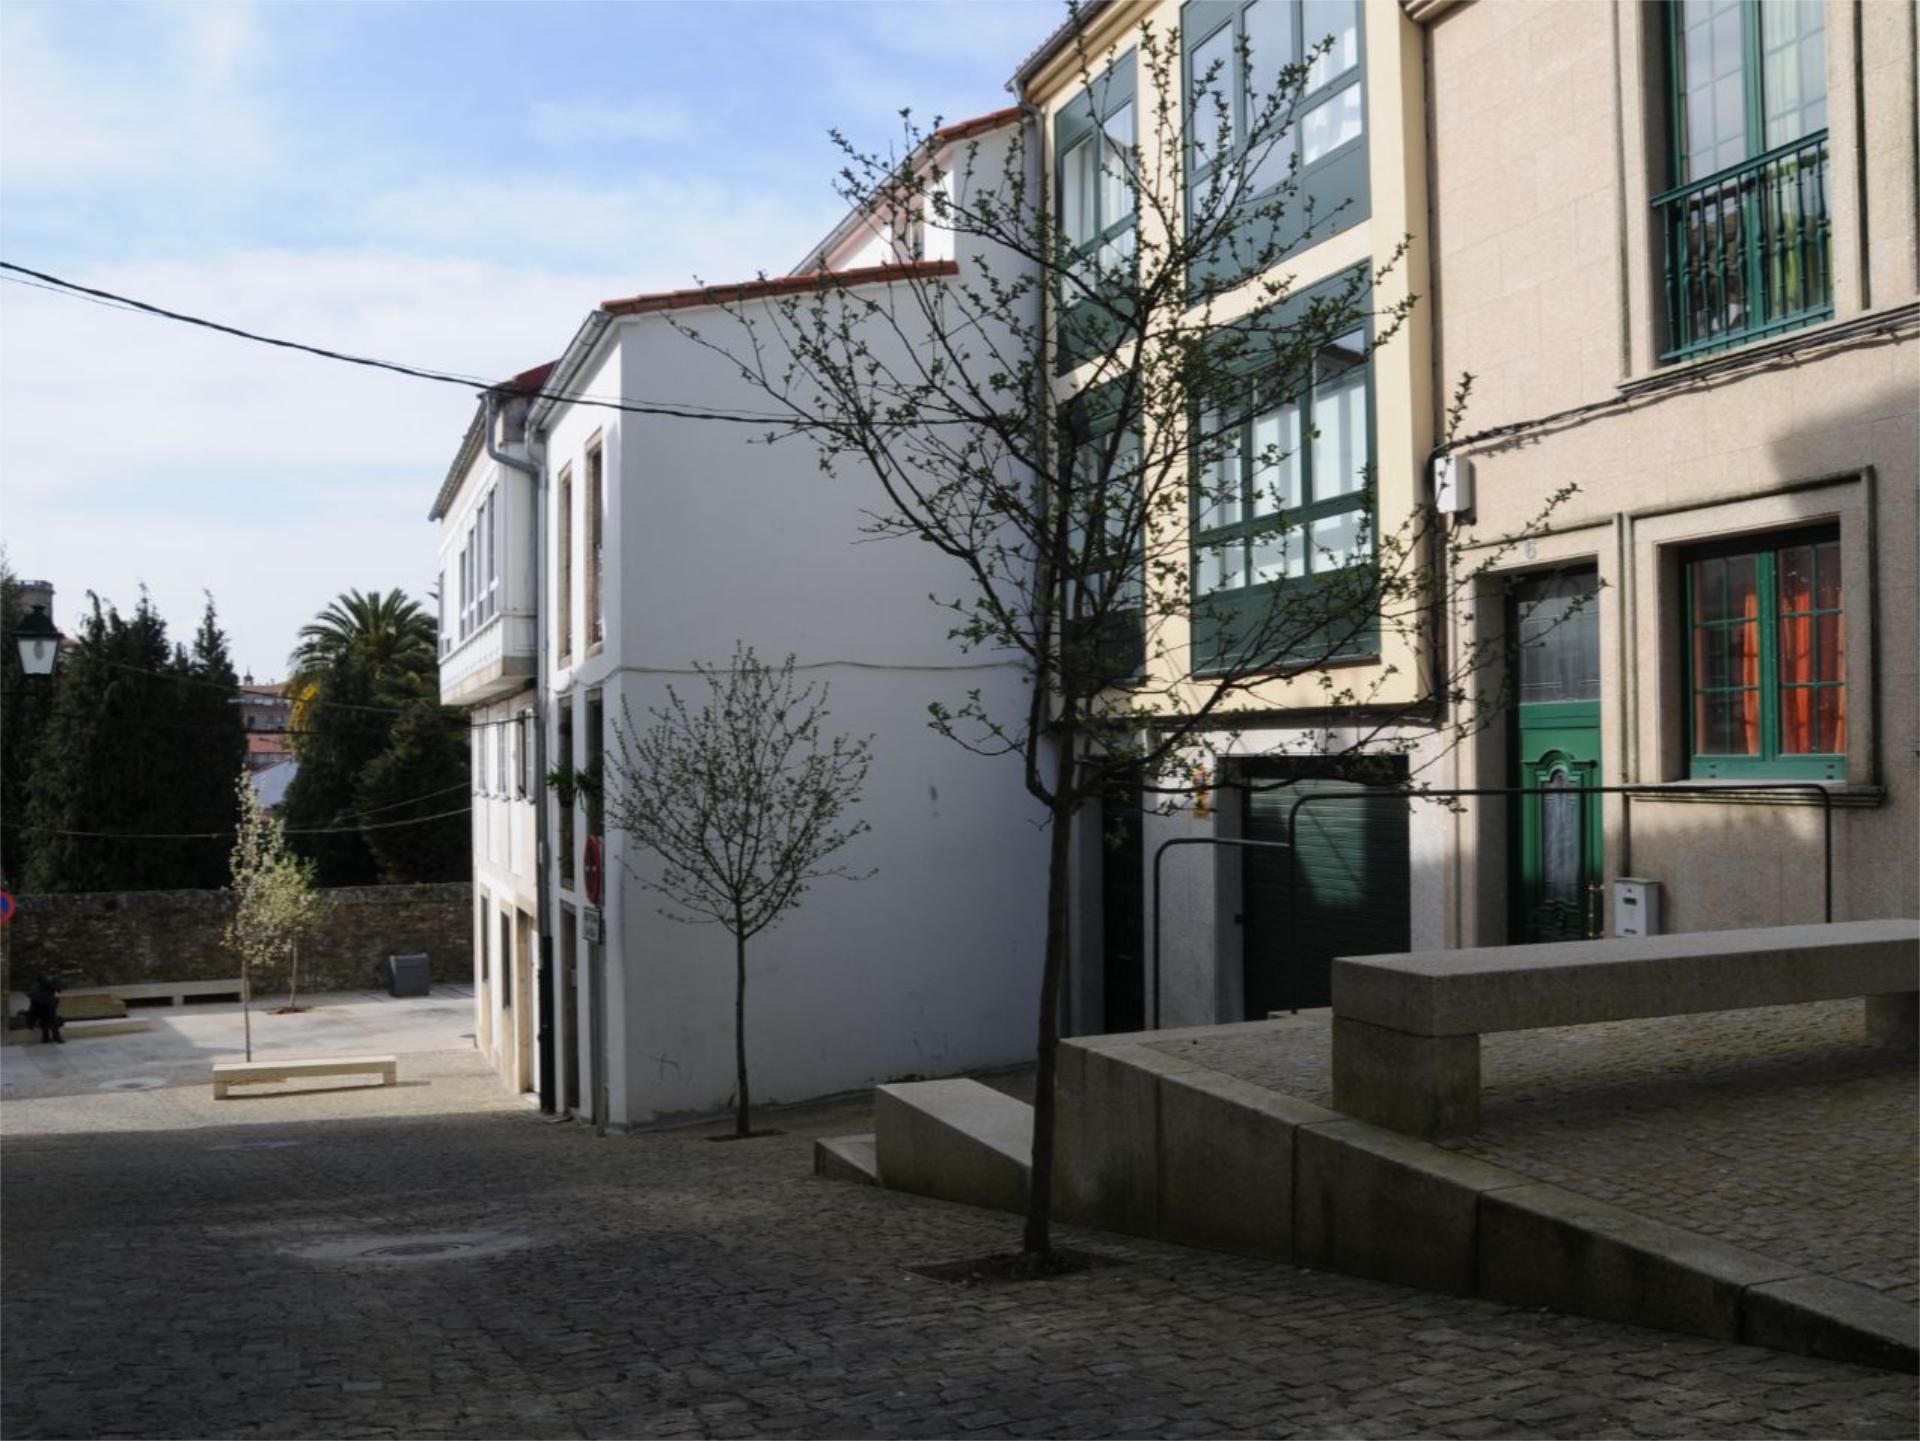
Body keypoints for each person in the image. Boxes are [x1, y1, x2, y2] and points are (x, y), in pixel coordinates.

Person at [26, 974, 63, 1044]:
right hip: (48, 1004)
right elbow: (57, 993)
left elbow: (32, 997)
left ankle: (46, 1038)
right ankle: (56, 1037)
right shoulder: (52, 985)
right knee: (53, 1021)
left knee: (44, 1020)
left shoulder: (37, 986)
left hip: (39, 1006)